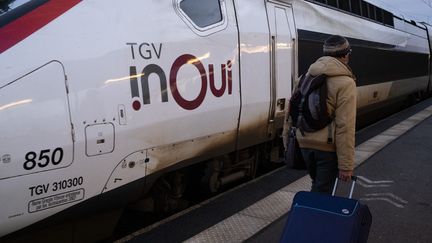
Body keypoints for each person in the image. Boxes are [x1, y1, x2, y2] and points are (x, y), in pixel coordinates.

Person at [283, 35, 357, 194]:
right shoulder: (346, 83)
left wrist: (287, 142)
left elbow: (291, 112)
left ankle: (310, 216)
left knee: (318, 186)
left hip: (303, 143)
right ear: (345, 55)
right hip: (326, 149)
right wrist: (346, 165)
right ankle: (308, 218)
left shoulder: (304, 77)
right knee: (322, 192)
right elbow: (345, 126)